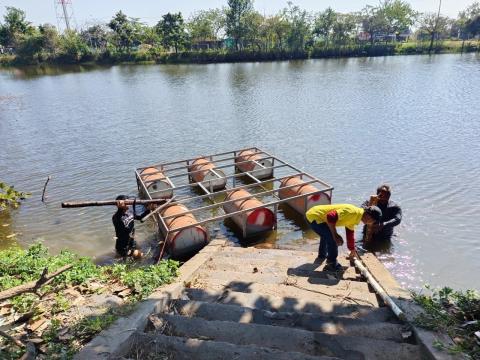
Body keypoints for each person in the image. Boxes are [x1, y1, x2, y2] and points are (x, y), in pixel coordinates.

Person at [306, 204, 382, 271]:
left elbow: (350, 234)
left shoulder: (356, 216)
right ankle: (331, 263)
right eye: (373, 221)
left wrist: (352, 249)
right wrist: (335, 235)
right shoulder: (353, 213)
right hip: (315, 216)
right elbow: (330, 216)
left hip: (316, 215)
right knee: (332, 238)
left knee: (327, 235)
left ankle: (322, 256)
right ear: (368, 216)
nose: (371, 223)